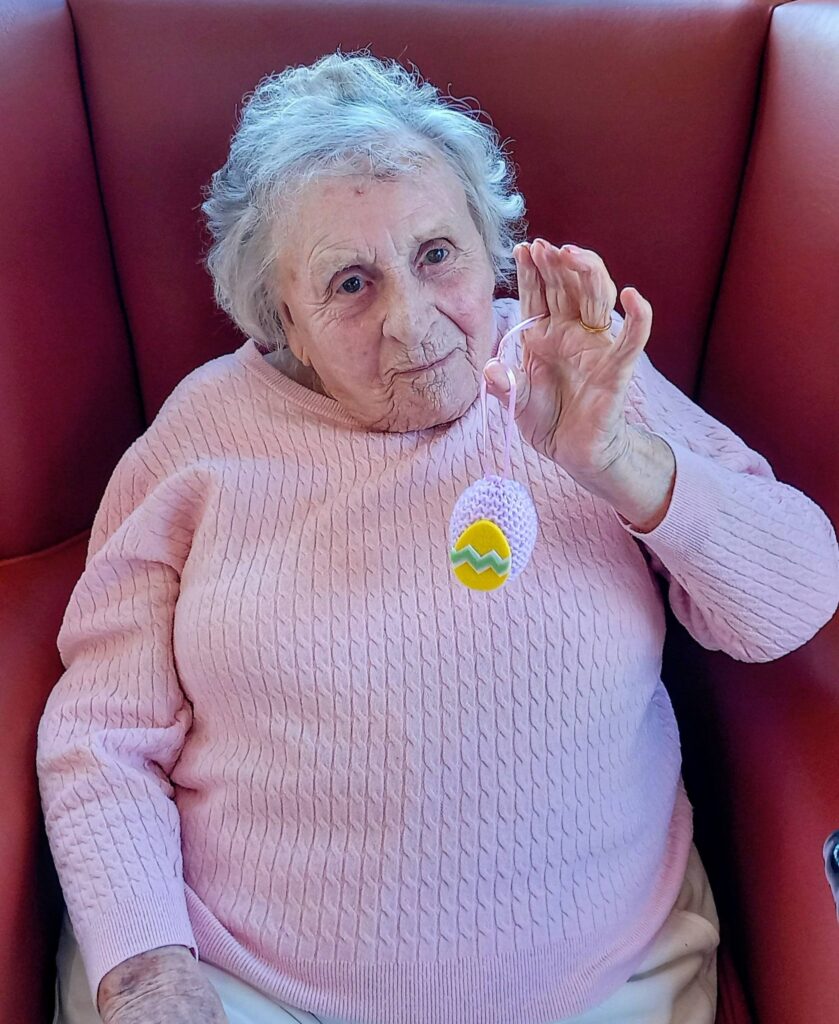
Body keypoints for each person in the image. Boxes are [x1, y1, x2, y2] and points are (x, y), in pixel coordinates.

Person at [38, 49, 838, 1024]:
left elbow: (792, 603)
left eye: (434, 255)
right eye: (348, 283)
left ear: (487, 243)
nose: (412, 322)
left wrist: (619, 458)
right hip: (244, 983)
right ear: (278, 312)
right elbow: (100, 738)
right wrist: (146, 970)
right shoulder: (196, 440)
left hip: (601, 982)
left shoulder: (569, 370)